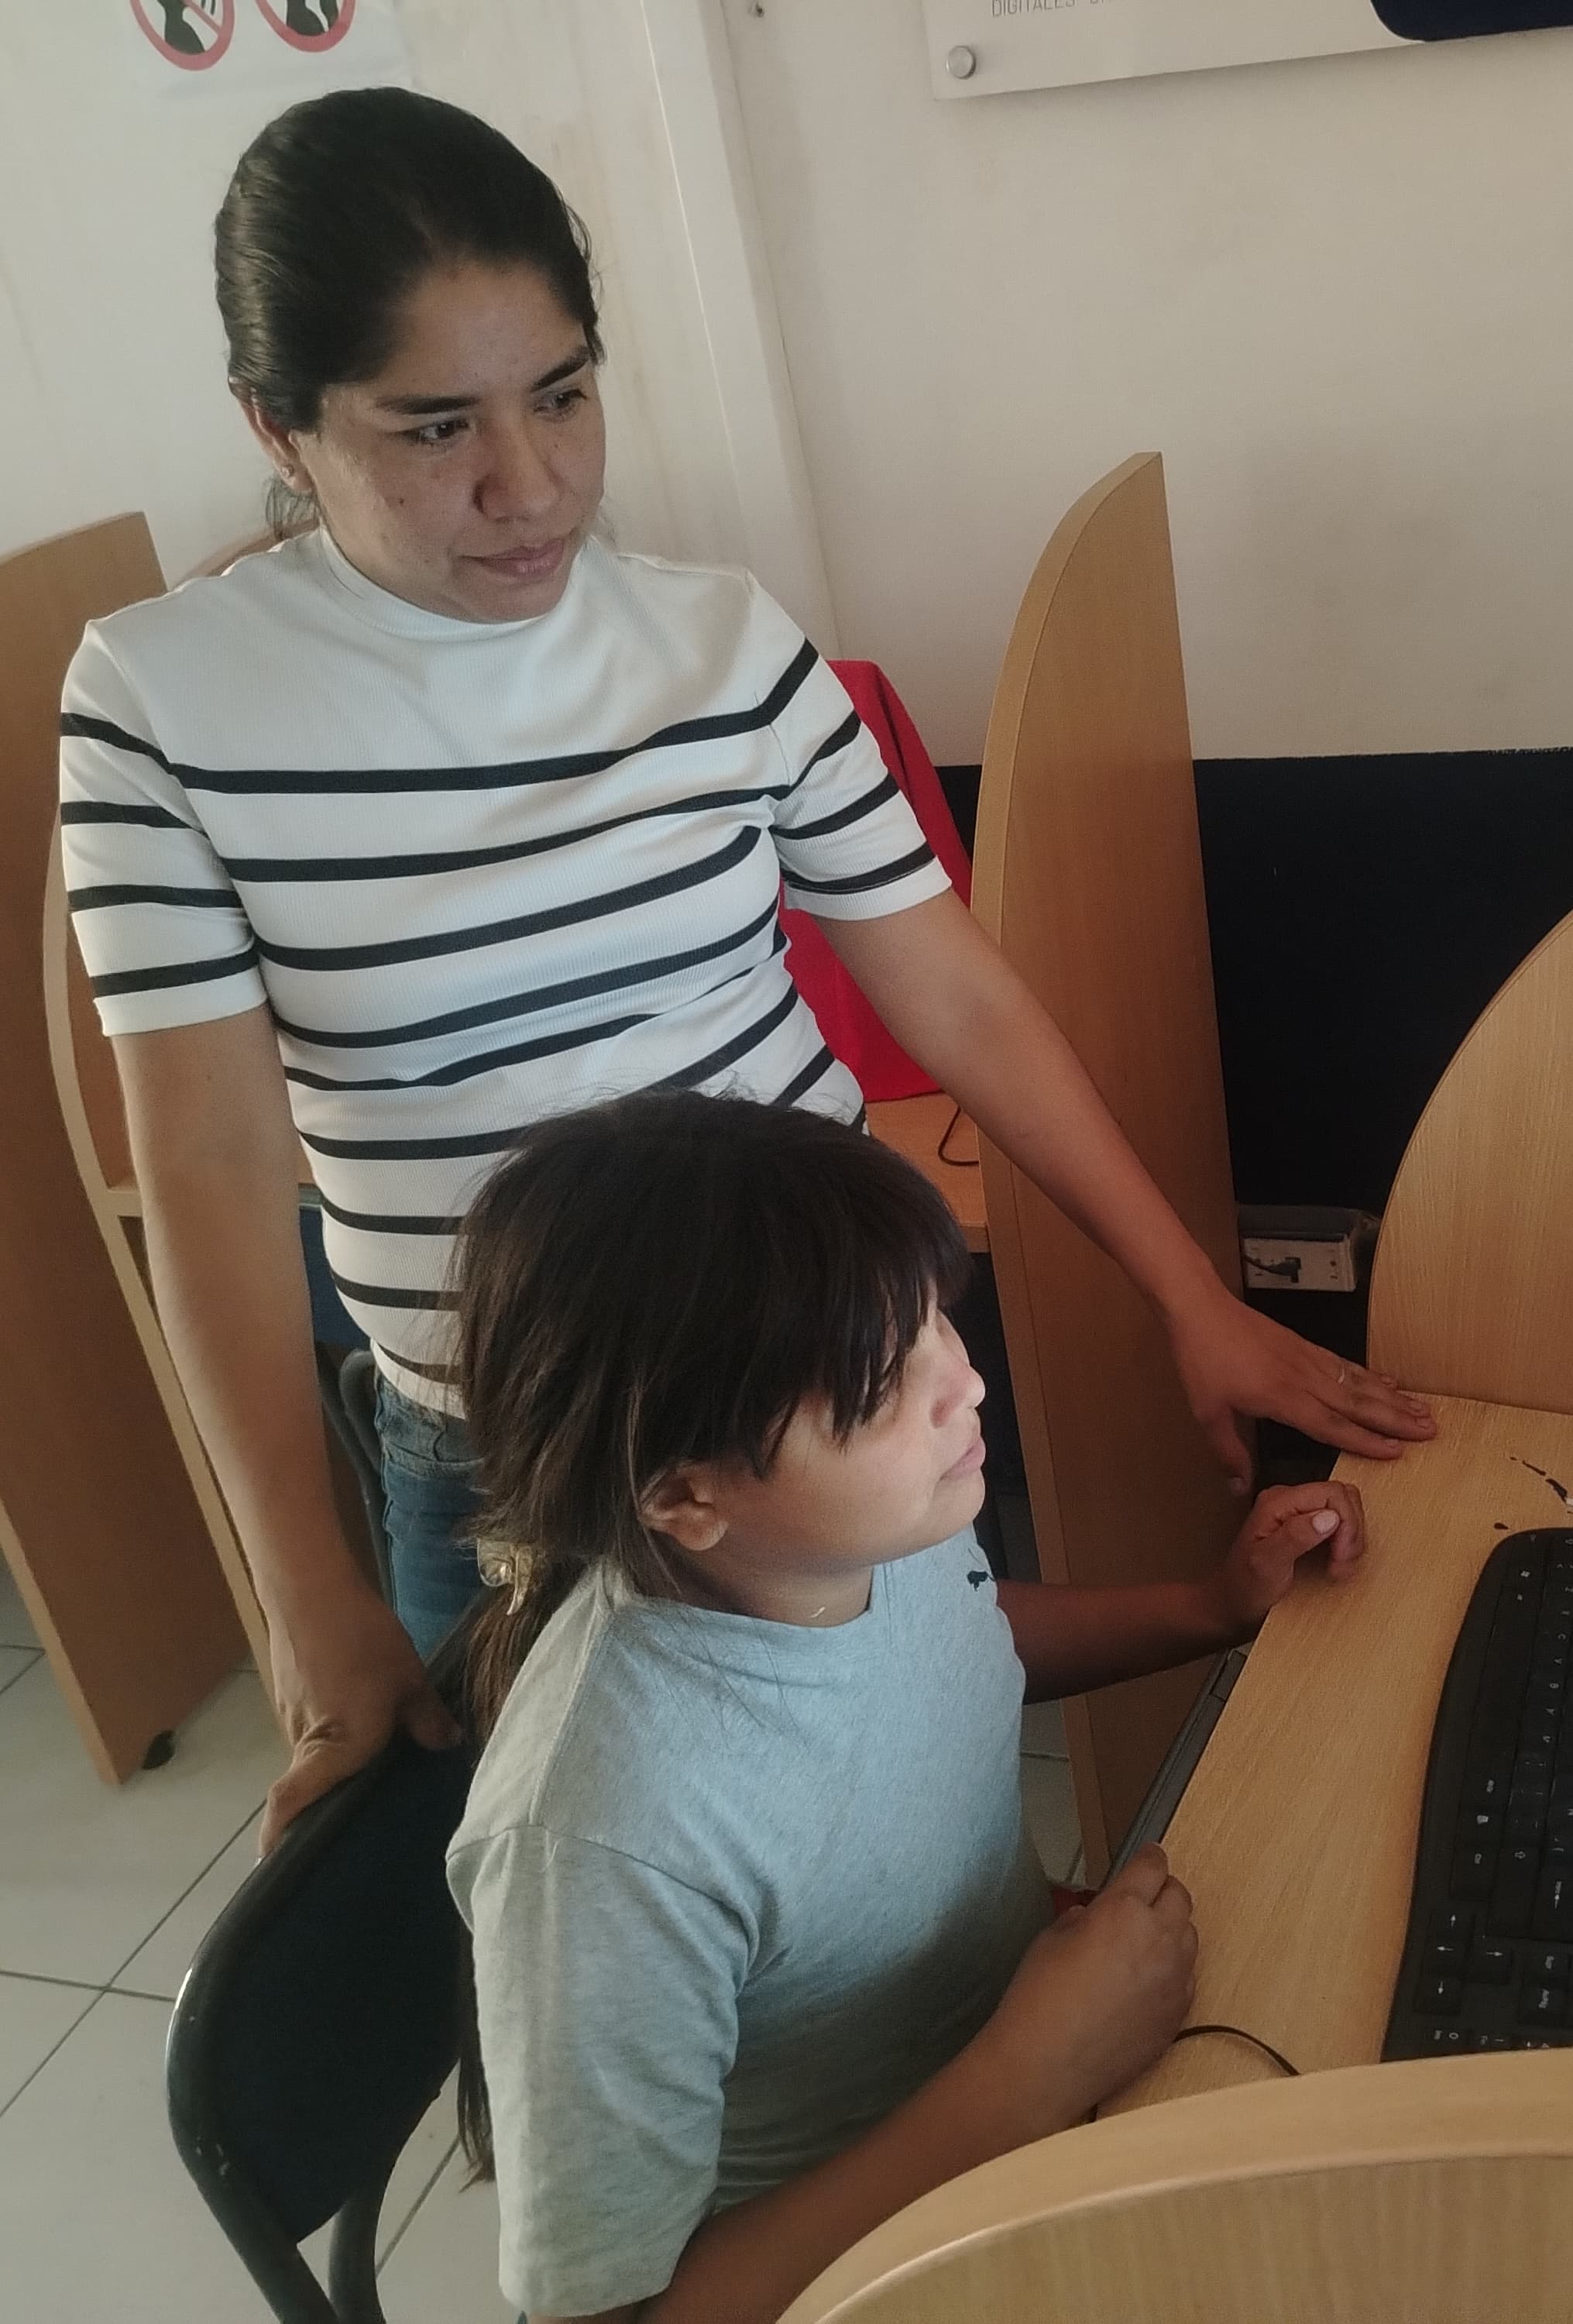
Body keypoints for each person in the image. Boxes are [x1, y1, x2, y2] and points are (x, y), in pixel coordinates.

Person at [57, 88, 1431, 1848]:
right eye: (434, 427)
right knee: (583, 1895)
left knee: (912, 1822)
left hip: (826, 1385)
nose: (530, 485)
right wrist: (302, 1586)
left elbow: (960, 996)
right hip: (502, 1452)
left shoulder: (720, 645)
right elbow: (208, 1162)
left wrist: (1194, 1299)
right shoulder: (163, 699)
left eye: (563, 394)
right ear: (279, 422)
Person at [445, 1092, 1369, 2322]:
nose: (966, 1382)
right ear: (685, 1496)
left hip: (1029, 2071)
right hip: (874, 2259)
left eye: (936, 1319)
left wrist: (1211, 1608)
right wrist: (1026, 2080)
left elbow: (960, 1644)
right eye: (885, 1384)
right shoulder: (603, 1842)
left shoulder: (858, 1534)